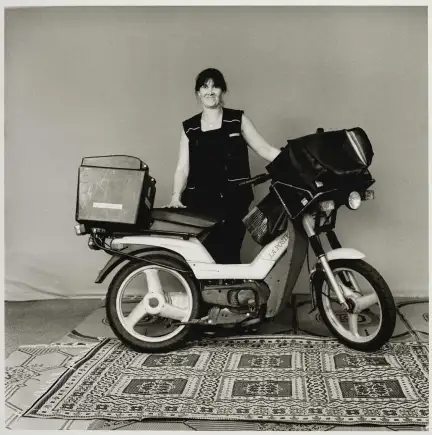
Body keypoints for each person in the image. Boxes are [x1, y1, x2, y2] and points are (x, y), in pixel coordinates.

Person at [166, 68, 281, 264]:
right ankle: (205, 294)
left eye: (215, 86)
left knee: (229, 251)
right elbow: (182, 167)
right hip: (199, 201)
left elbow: (265, 149)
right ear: (198, 93)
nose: (209, 92)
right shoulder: (189, 127)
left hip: (234, 199)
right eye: (204, 87)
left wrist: (295, 161)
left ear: (223, 91)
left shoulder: (238, 120)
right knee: (204, 256)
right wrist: (176, 196)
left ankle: (230, 293)